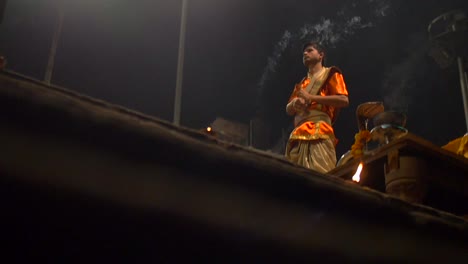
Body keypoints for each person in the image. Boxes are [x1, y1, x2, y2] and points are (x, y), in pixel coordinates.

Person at [285, 41, 349, 173]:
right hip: (298, 134)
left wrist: (312, 98)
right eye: (304, 52)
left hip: (319, 130)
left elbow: (343, 100)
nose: (305, 53)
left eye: (309, 50)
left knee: (320, 173)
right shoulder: (301, 84)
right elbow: (288, 109)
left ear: (321, 55)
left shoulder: (330, 73)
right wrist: (294, 103)